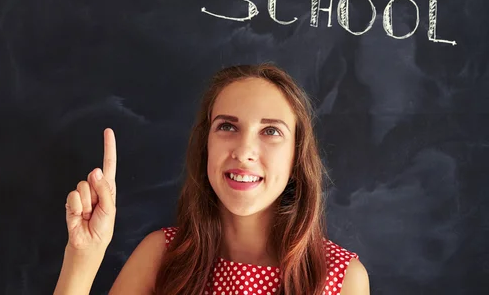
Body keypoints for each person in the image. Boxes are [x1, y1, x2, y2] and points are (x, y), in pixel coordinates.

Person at [54, 63, 370, 295]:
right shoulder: (161, 256)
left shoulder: (342, 279)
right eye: (227, 127)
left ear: (296, 156)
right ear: (206, 145)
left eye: (271, 131)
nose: (244, 151)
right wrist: (83, 255)